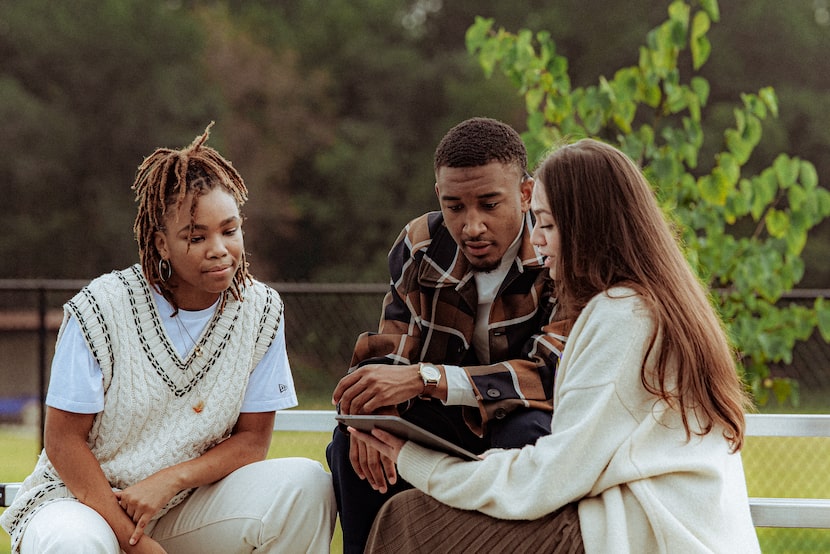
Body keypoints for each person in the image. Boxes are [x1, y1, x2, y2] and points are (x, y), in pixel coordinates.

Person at [348, 138, 761, 553]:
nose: (537, 241)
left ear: (588, 229)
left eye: (545, 224)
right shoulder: (647, 303)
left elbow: (550, 477)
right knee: (400, 502)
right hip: (643, 518)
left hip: (643, 531)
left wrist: (415, 460)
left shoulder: (623, 316)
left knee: (410, 520)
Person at [0, 124, 335, 554]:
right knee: (73, 544)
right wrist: (135, 543)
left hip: (184, 504)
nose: (219, 249)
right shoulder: (101, 307)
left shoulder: (262, 310)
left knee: (305, 485)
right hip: (81, 502)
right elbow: (64, 442)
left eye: (229, 230)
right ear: (161, 243)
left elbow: (252, 441)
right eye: (196, 237)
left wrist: (171, 479)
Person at [327, 117, 571, 553]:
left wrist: (428, 378)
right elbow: (393, 347)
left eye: (489, 205)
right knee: (356, 438)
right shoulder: (421, 244)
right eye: (455, 206)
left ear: (526, 193)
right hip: (446, 420)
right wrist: (367, 412)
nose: (471, 226)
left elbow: (550, 374)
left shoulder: (558, 253)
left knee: (528, 432)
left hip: (526, 418)